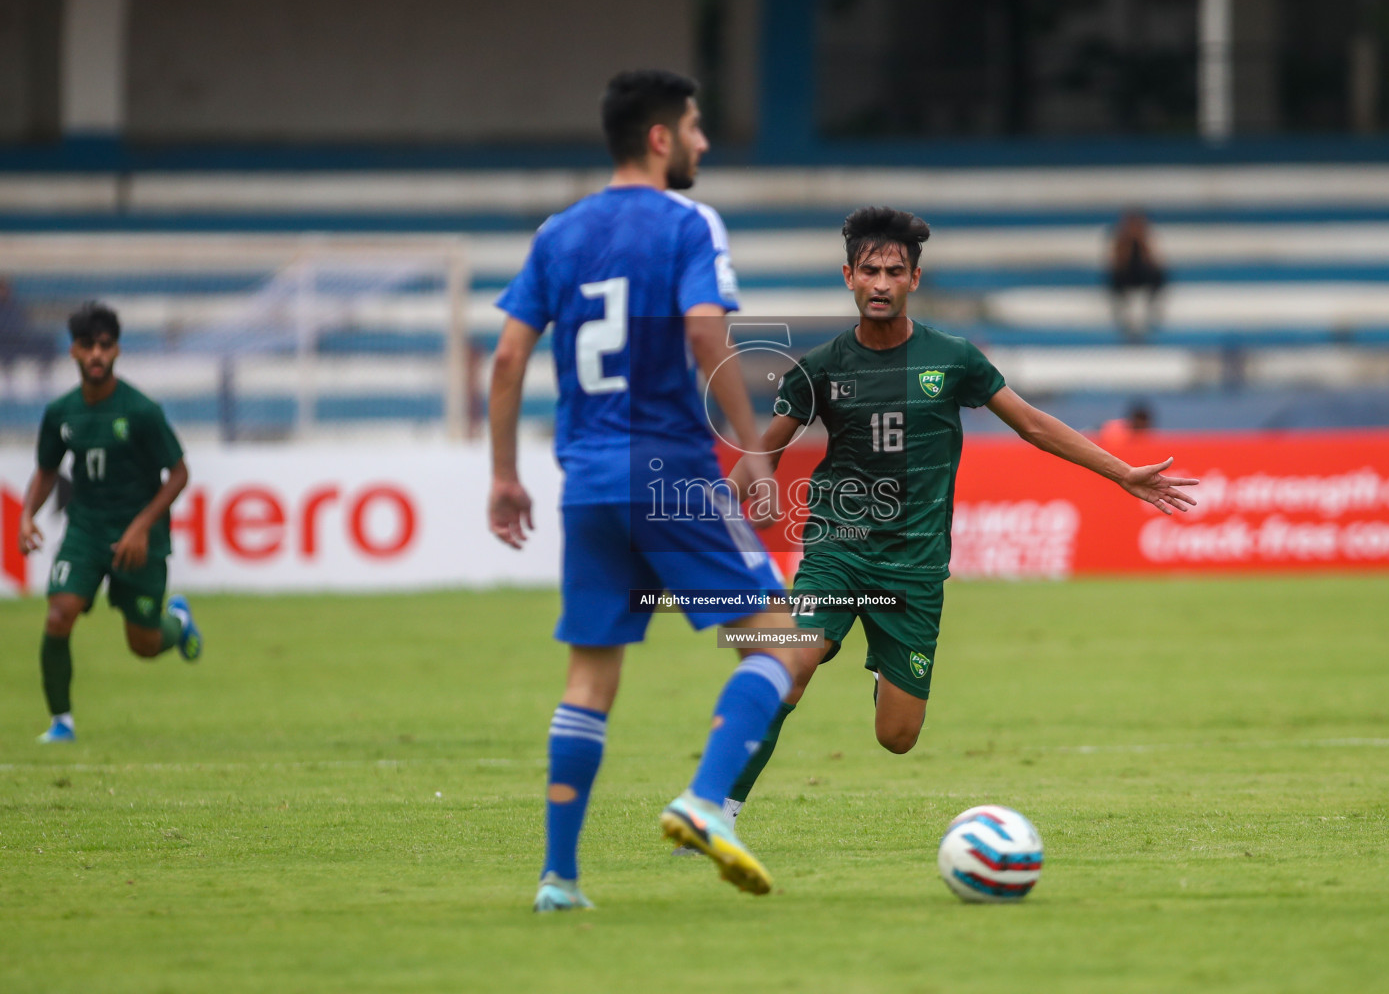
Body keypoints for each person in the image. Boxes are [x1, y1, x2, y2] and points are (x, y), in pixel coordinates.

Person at [720, 206, 1198, 822]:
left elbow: (1031, 424)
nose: (882, 283)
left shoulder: (953, 359)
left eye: (895, 271)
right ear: (849, 276)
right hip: (839, 550)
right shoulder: (821, 368)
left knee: (898, 736)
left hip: (915, 569)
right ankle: (719, 807)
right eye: (870, 270)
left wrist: (1122, 472)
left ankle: (882, 680)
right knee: (790, 668)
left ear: (914, 280)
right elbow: (760, 454)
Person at [486, 69, 821, 912]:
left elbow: (505, 359)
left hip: (585, 480)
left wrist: (502, 475)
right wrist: (748, 444)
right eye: (698, 129)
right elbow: (706, 329)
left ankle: (559, 881)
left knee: (590, 677)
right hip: (666, 468)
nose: (706, 143)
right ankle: (706, 801)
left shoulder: (557, 235)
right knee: (785, 642)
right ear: (662, 138)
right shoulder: (687, 221)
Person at [16, 302, 204, 745]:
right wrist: (27, 516)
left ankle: (177, 621)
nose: (97, 354)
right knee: (59, 615)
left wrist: (140, 526)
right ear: (74, 353)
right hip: (86, 528)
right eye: (88, 345)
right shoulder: (62, 413)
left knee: (143, 644)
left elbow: (179, 473)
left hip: (140, 535)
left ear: (117, 349)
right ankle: (61, 721)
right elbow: (46, 470)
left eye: (105, 345)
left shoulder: (141, 411)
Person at [1107, 209, 1167, 341]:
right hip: (1126, 276)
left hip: (1143, 274)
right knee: (1114, 276)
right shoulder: (1119, 238)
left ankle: (1151, 307)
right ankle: (1123, 310)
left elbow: (1155, 262)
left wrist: (1142, 242)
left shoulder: (1149, 237)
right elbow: (1117, 263)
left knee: (1159, 275)